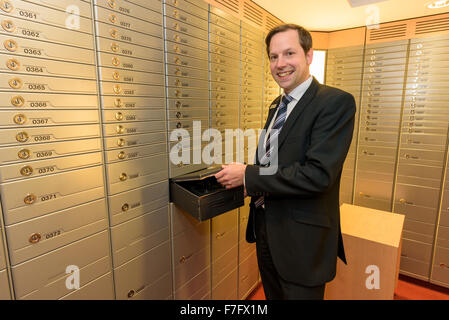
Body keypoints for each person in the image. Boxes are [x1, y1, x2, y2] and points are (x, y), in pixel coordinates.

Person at [215, 24, 356, 300]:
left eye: (289, 53)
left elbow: (317, 175)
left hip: (302, 242)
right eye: (273, 56)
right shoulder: (276, 106)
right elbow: (274, 163)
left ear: (309, 55)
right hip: (266, 229)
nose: (280, 64)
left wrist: (248, 175)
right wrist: (249, 184)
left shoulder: (334, 102)